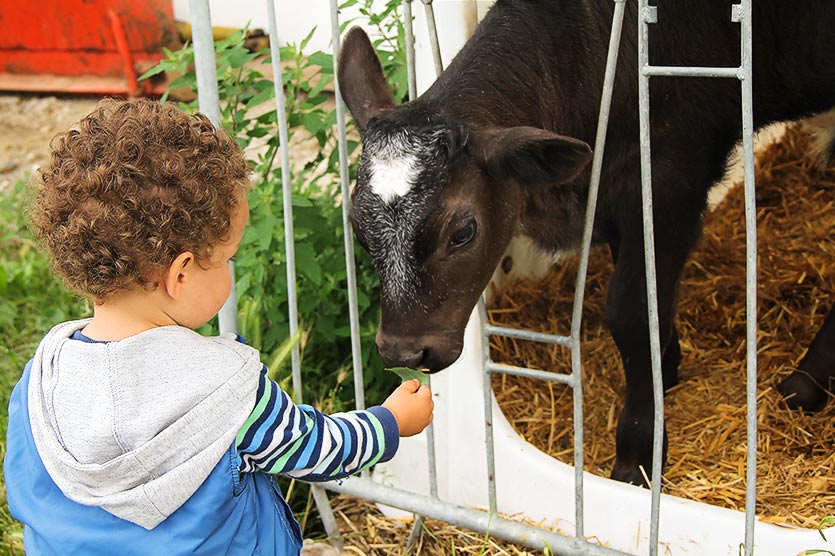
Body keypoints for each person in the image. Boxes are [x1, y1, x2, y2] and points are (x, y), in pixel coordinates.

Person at [4, 98, 434, 555]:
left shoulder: (41, 380)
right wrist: (391, 422)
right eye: (228, 257)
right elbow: (316, 449)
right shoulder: (225, 390)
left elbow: (29, 491)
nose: (232, 266)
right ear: (181, 274)